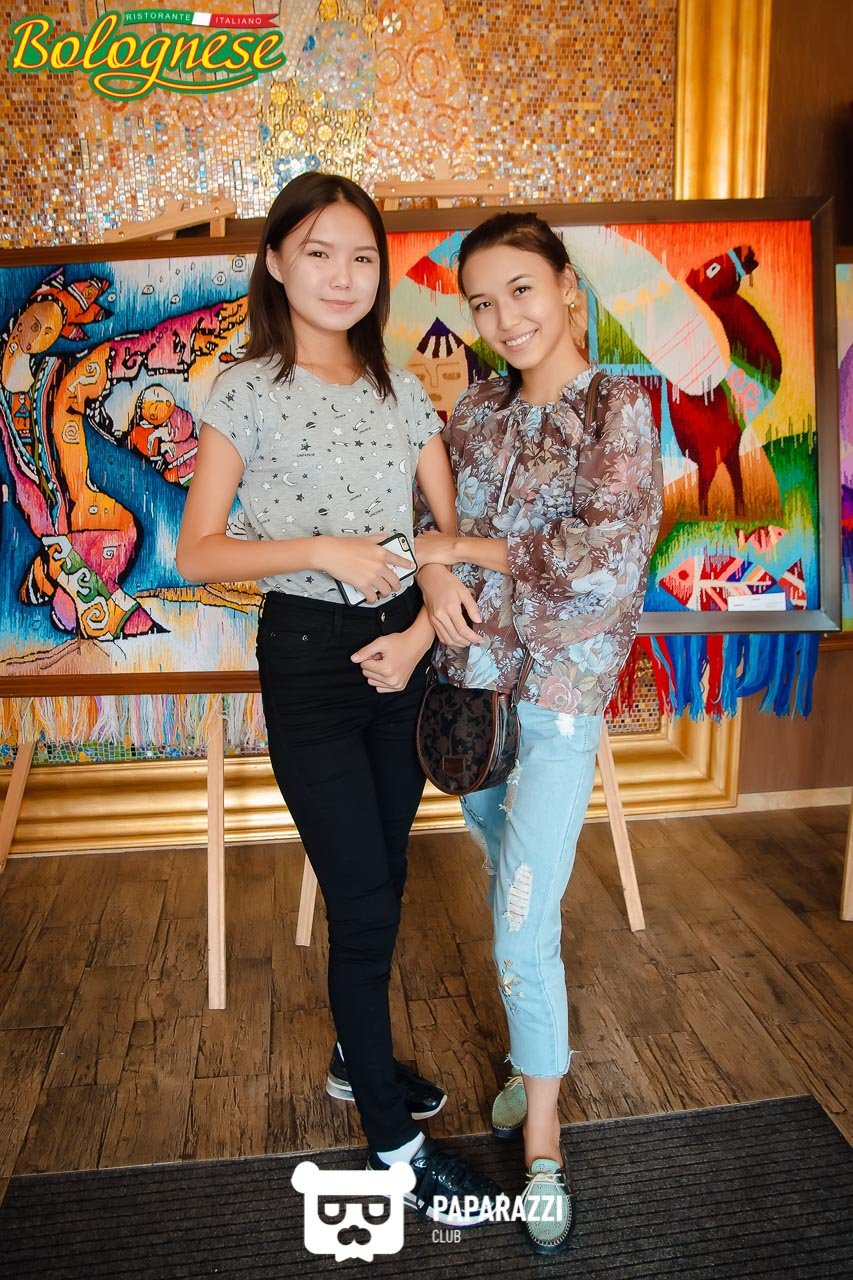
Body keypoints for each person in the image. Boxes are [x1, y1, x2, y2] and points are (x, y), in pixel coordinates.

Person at [177, 172, 500, 1226]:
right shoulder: (243, 389)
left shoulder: (397, 388)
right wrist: (321, 547)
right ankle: (396, 1148)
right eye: (318, 252)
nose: (343, 275)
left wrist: (422, 621)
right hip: (310, 662)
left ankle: (354, 1058)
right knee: (362, 899)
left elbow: (444, 535)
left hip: (400, 659)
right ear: (276, 261)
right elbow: (196, 551)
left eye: (362, 256)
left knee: (384, 876)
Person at [414, 211, 663, 1253]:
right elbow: (426, 526)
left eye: (520, 289)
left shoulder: (619, 406)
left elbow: (599, 567)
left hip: (558, 700)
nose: (503, 317)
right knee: (508, 882)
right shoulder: (474, 411)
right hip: (471, 698)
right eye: (481, 302)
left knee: (521, 924)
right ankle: (531, 1057)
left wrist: (464, 551)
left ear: (564, 284)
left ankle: (544, 1146)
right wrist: (436, 574)